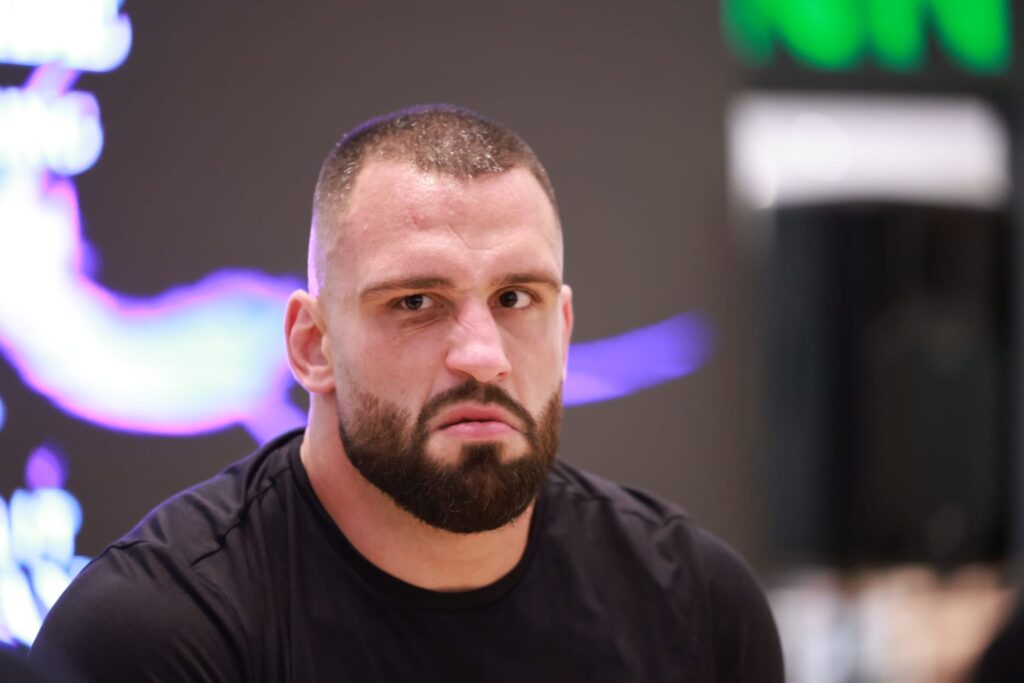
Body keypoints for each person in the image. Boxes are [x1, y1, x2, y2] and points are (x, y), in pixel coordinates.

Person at [30, 105, 784, 681]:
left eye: (516, 298)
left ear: (563, 329)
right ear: (312, 345)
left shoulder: (697, 606)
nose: (483, 357)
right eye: (416, 302)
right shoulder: (151, 636)